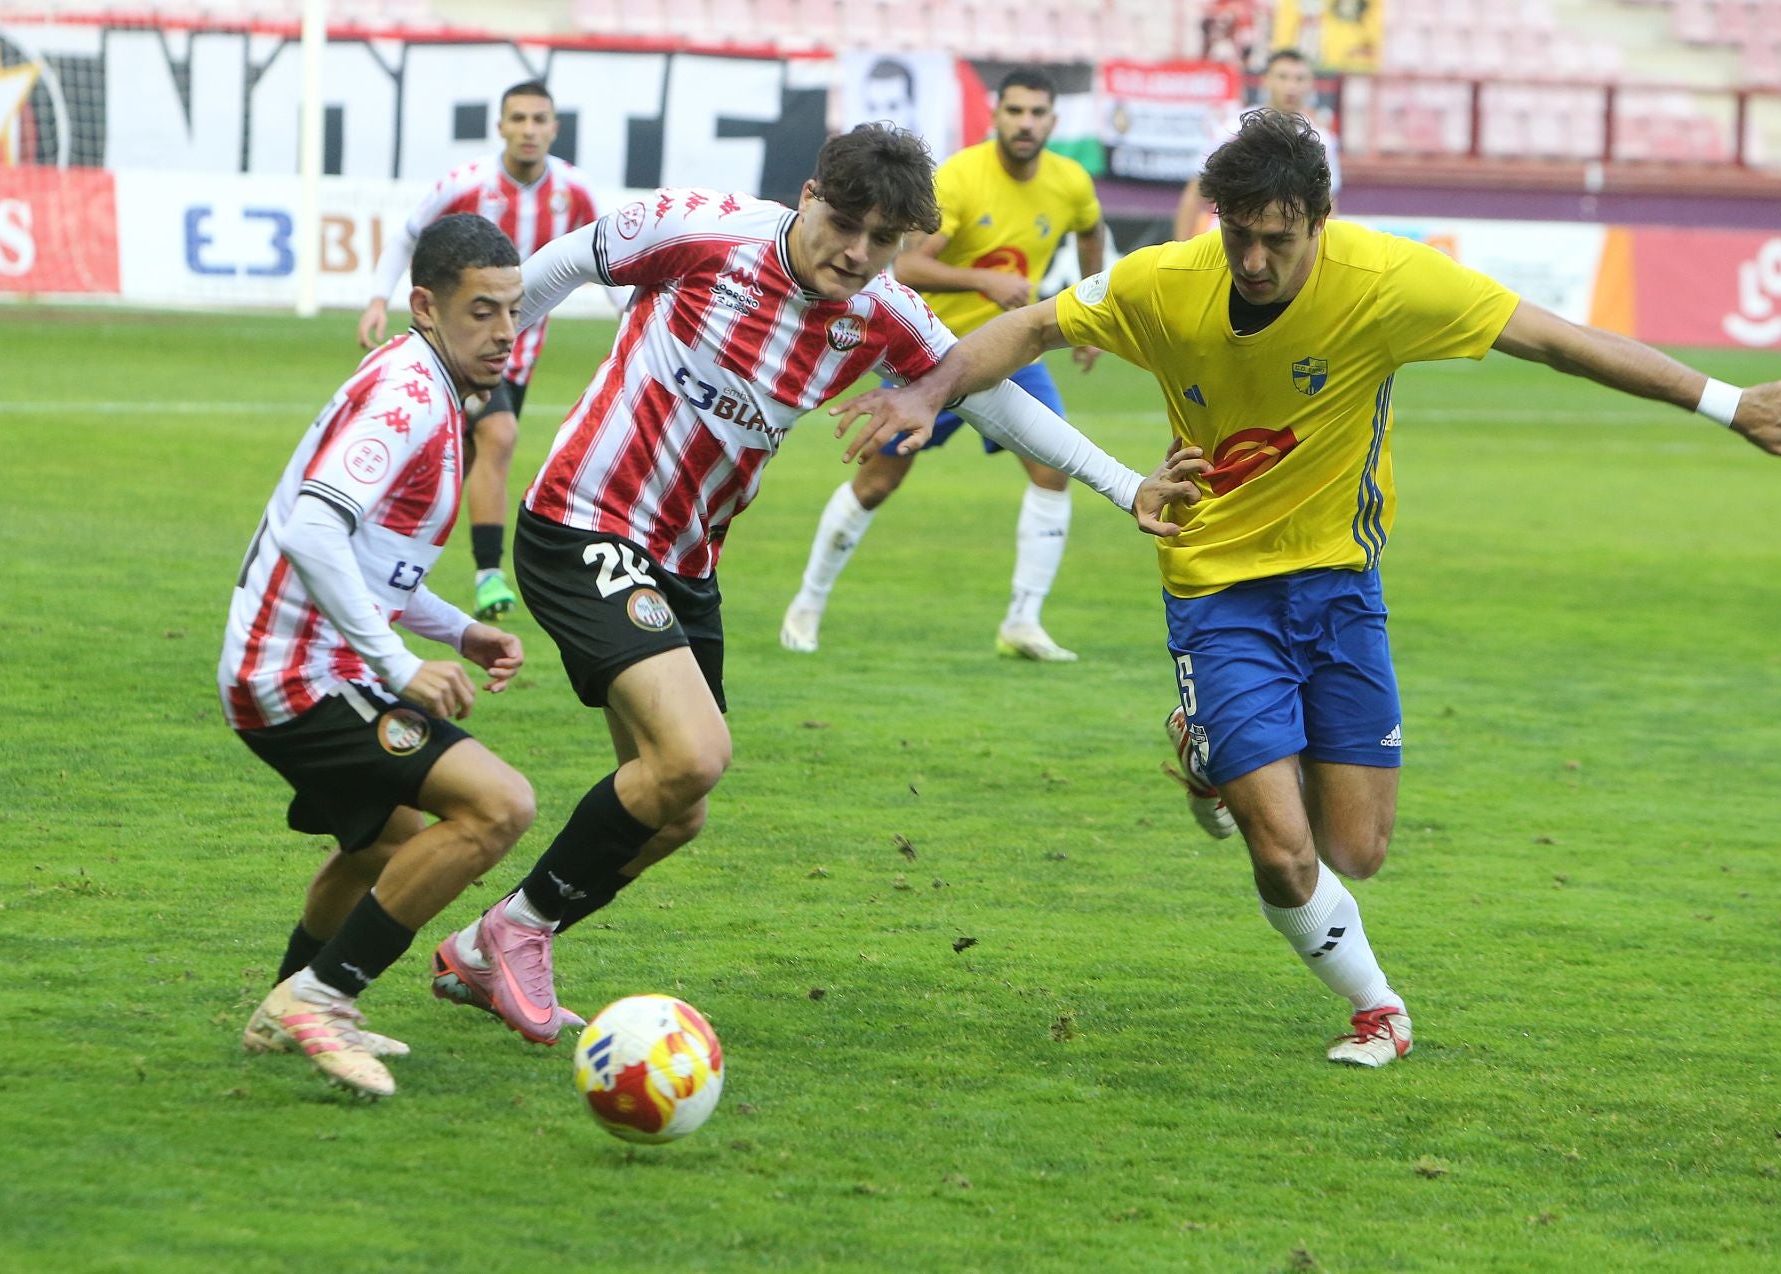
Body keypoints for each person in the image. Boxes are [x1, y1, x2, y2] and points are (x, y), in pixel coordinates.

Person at [830, 110, 1781, 1069]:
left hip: (1339, 586)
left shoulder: (1387, 280)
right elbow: (1032, 329)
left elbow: (1557, 339)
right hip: (1214, 585)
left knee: (1355, 851)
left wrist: (1728, 402)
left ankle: (1207, 753)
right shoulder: (1166, 279)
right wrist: (929, 390)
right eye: (1239, 235)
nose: (1254, 260)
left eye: (1279, 240)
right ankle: (1379, 1009)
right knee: (1285, 858)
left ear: (1321, 222)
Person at [427, 124, 1204, 1046]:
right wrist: (454, 374)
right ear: (807, 195)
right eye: (844, 224)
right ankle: (515, 931)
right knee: (693, 757)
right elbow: (562, 266)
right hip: (586, 519)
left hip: (687, 562)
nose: (857, 253)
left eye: (884, 240)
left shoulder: (883, 311)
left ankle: (485, 948)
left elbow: (997, 401)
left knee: (676, 807)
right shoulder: (701, 229)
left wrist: (1125, 485)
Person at [225, 214, 538, 1099]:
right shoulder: (408, 397)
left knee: (389, 845)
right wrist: (399, 665)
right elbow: (313, 531)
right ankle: (320, 999)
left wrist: (458, 630)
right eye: (482, 311)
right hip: (297, 676)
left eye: (513, 311)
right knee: (499, 807)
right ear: (425, 307)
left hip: (298, 665)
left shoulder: (430, 384)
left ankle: (282, 1006)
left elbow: (371, 562)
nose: (505, 333)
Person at [779, 68, 1108, 663]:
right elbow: (905, 267)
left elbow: (1090, 232)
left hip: (1009, 354)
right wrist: (983, 279)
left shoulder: (1070, 182)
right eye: (1015, 111)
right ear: (996, 115)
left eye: (1037, 113)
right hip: (929, 356)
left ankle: (1023, 621)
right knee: (877, 483)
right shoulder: (959, 179)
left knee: (1052, 471)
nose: (1026, 123)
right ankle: (807, 603)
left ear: (1053, 122)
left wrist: (1089, 313)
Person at [358, 80, 603, 623]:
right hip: (460, 348)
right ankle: (489, 574)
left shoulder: (576, 192)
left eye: (539, 119)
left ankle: (384, 551)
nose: (529, 130)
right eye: (518, 118)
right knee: (499, 434)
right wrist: (377, 298)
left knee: (460, 458)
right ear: (500, 127)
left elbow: (606, 255)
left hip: (518, 355)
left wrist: (632, 317)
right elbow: (407, 235)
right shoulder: (466, 183)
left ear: (554, 128)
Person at [1175, 49, 1339, 241]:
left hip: (1286, 244)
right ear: (1266, 81)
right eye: (1283, 77)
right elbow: (1195, 193)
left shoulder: (1321, 141)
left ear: (1311, 85)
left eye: (1300, 79)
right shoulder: (1233, 131)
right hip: (1228, 238)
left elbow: (1327, 204)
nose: (1291, 86)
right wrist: (1179, 248)